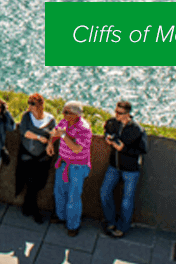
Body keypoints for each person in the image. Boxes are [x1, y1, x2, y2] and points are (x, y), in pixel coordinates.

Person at [100, 101, 147, 238]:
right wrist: (107, 138)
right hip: (114, 165)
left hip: (130, 170)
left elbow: (143, 150)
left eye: (119, 113)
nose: (116, 115)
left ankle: (122, 228)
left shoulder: (138, 130)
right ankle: (111, 221)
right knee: (104, 192)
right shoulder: (113, 123)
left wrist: (123, 149)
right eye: (115, 111)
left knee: (127, 201)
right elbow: (106, 130)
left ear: (127, 114)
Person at [48, 101, 93, 237]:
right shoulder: (65, 122)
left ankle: (73, 225)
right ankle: (61, 216)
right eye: (64, 111)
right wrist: (51, 143)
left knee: (73, 196)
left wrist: (63, 135)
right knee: (59, 191)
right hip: (63, 163)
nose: (63, 114)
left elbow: (76, 148)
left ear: (75, 114)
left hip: (77, 166)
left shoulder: (84, 129)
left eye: (67, 112)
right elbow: (56, 131)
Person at [14, 93, 55, 223]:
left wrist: (49, 143)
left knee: (39, 183)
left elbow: (53, 134)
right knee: (31, 183)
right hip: (27, 156)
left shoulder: (50, 119)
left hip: (42, 158)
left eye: (33, 104)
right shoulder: (26, 117)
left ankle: (27, 206)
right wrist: (38, 137)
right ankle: (34, 210)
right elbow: (24, 132)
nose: (30, 106)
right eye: (29, 103)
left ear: (41, 105)